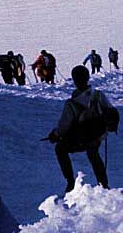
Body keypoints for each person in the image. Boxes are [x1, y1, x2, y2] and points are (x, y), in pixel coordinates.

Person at [48, 65, 119, 193]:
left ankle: (70, 182)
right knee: (93, 153)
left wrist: (54, 134)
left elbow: (64, 126)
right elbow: (110, 110)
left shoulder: (71, 103)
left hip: (80, 138)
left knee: (60, 149)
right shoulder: (98, 95)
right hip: (98, 134)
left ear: (74, 80)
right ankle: (103, 184)